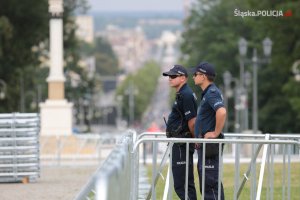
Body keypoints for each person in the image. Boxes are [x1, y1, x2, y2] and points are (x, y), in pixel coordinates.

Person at [191, 62, 226, 200]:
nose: (193, 77)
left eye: (195, 74)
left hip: (209, 146)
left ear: (203, 76)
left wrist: (215, 133)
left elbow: (222, 112)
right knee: (210, 184)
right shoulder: (208, 93)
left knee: (210, 185)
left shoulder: (211, 93)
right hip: (205, 146)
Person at [162, 64, 197, 200]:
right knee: (185, 184)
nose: (170, 78)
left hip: (183, 143)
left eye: (173, 76)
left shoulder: (186, 95)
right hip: (180, 143)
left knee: (182, 185)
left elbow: (192, 121)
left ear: (183, 78)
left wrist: (194, 140)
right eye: (169, 76)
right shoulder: (182, 93)